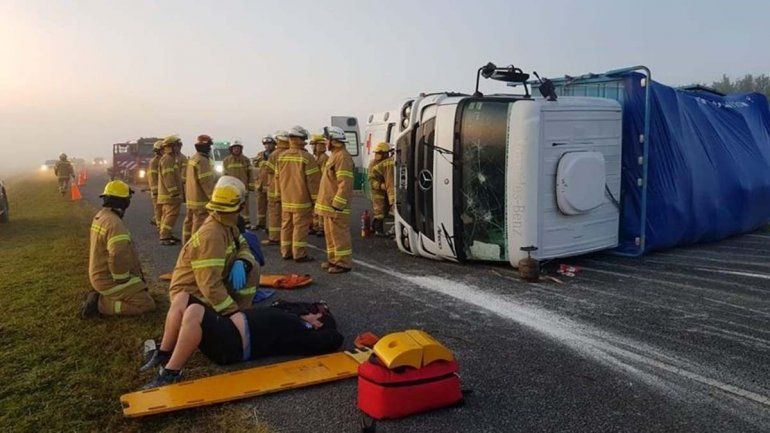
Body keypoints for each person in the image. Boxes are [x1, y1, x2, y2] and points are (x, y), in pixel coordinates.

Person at [140, 293, 343, 388]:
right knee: (183, 297)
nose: (310, 312)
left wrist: (319, 322)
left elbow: (335, 339)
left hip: (232, 346)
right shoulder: (291, 315)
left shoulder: (304, 334)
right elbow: (283, 303)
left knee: (194, 311)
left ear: (319, 323)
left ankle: (171, 373)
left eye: (316, 314)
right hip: (226, 327)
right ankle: (164, 353)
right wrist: (304, 311)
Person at [168, 176, 260, 315]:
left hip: (206, 285)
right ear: (240, 207)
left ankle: (244, 312)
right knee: (231, 312)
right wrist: (233, 313)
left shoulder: (228, 225)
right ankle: (235, 317)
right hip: (193, 295)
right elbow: (210, 285)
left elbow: (243, 244)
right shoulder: (212, 236)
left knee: (253, 267)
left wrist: (243, 261)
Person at [80, 180, 155, 318]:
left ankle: (103, 296)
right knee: (146, 304)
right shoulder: (115, 224)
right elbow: (117, 255)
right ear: (124, 202)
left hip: (100, 276)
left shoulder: (102, 216)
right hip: (110, 279)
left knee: (142, 289)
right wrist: (123, 279)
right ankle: (100, 304)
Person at [275, 126, 320, 262]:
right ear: (300, 139)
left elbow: (276, 178)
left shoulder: (281, 157)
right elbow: (313, 182)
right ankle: (299, 254)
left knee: (286, 226)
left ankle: (286, 252)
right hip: (301, 200)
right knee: (300, 227)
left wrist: (278, 195)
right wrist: (316, 199)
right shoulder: (307, 158)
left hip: (286, 199)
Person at [315, 126, 355, 274]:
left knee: (339, 235)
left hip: (336, 206)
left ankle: (343, 263)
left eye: (327, 139)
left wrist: (338, 203)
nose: (325, 142)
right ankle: (333, 259)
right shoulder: (335, 155)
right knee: (331, 234)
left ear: (333, 140)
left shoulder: (343, 156)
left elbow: (345, 182)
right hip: (329, 205)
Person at [182, 135, 216, 244]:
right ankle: (195, 246)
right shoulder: (203, 161)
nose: (210, 148)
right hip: (200, 200)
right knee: (199, 224)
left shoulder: (193, 158)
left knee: (189, 221)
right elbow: (206, 182)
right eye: (209, 146)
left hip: (191, 198)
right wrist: (213, 198)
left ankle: (186, 243)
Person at [262, 131, 290, 245]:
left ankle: (274, 238)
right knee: (286, 215)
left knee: (274, 214)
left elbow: (268, 170)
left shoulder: (274, 154)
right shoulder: (290, 153)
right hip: (287, 189)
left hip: (274, 188)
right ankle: (286, 238)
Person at [157, 136, 183, 245]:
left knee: (167, 215)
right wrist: (174, 191)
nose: (179, 148)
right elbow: (168, 177)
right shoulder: (168, 160)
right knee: (171, 215)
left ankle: (166, 234)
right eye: (177, 145)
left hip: (167, 194)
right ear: (171, 147)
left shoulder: (169, 159)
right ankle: (165, 236)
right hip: (170, 195)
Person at [223, 140, 254, 229]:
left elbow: (250, 174)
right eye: (234, 148)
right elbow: (224, 175)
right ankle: (232, 222)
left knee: (244, 206)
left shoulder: (246, 160)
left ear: (241, 149)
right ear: (231, 149)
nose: (236, 149)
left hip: (243, 187)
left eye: (238, 148)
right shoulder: (226, 160)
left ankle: (246, 222)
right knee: (232, 205)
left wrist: (250, 186)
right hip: (231, 187)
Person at [368, 142, 395, 236]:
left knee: (384, 210)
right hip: (377, 192)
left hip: (385, 190)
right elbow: (371, 180)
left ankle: (373, 227)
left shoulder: (386, 162)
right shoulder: (373, 164)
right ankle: (378, 230)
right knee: (379, 211)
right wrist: (380, 185)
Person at [252, 136, 275, 231]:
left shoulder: (276, 155)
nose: (267, 146)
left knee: (272, 207)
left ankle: (270, 226)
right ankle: (260, 223)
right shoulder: (260, 155)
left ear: (274, 145)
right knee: (260, 206)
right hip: (261, 185)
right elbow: (255, 168)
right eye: (266, 144)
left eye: (270, 144)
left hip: (271, 185)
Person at [310, 134, 329, 236]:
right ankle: (316, 226)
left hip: (321, 187)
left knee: (321, 208)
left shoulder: (324, 158)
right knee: (315, 207)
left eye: (314, 145)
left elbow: (323, 175)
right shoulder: (316, 157)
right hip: (315, 186)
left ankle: (322, 228)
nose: (312, 147)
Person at [147, 140, 163, 228]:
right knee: (159, 210)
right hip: (157, 191)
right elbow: (152, 177)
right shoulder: (154, 162)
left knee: (162, 210)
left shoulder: (164, 160)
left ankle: (156, 221)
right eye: (163, 149)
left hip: (163, 190)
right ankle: (160, 227)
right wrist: (155, 190)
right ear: (158, 150)